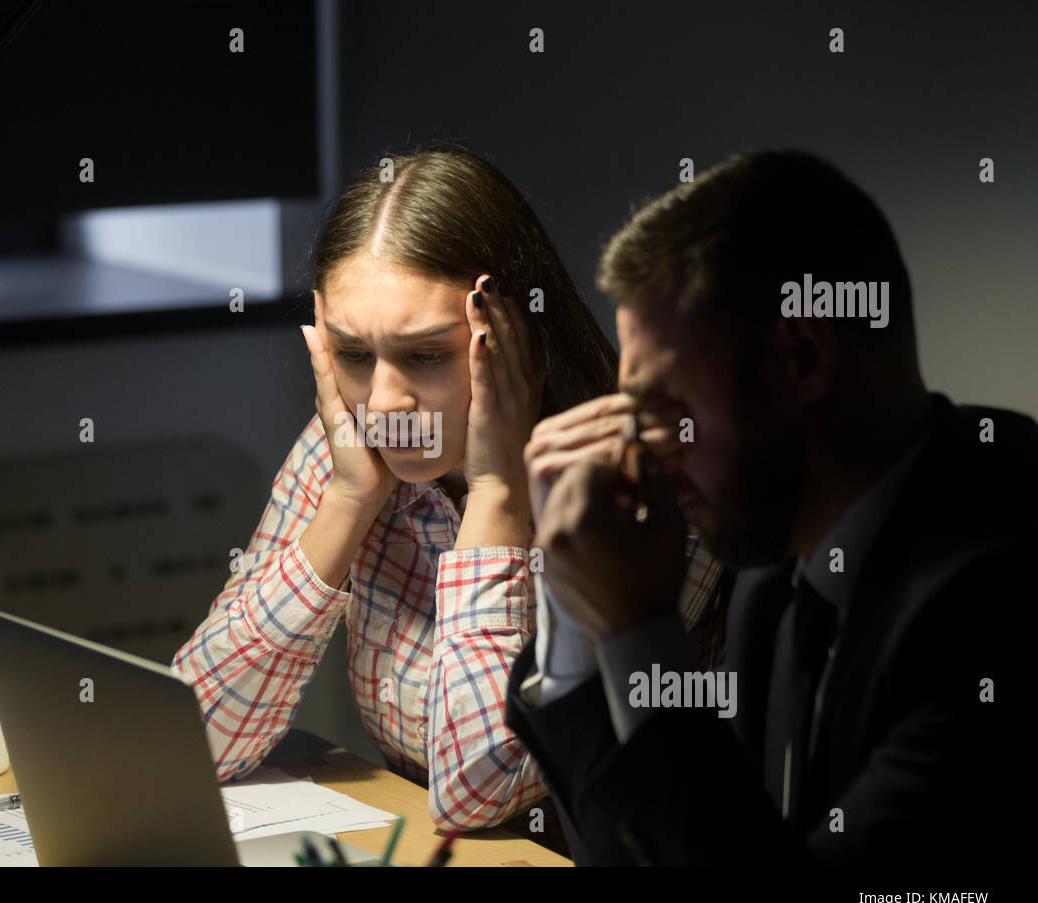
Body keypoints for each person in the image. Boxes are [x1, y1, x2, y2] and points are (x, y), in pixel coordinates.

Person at [173, 144, 722, 832]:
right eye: (353, 354)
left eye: (426, 355)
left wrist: (496, 493)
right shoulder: (352, 450)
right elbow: (192, 741)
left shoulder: (627, 486)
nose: (385, 402)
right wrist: (347, 504)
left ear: (514, 330)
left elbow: (476, 791)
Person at [508, 149, 1032, 865]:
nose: (641, 454)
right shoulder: (773, 578)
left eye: (663, 406)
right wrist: (576, 613)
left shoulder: (995, 603)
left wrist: (639, 631)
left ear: (805, 358)